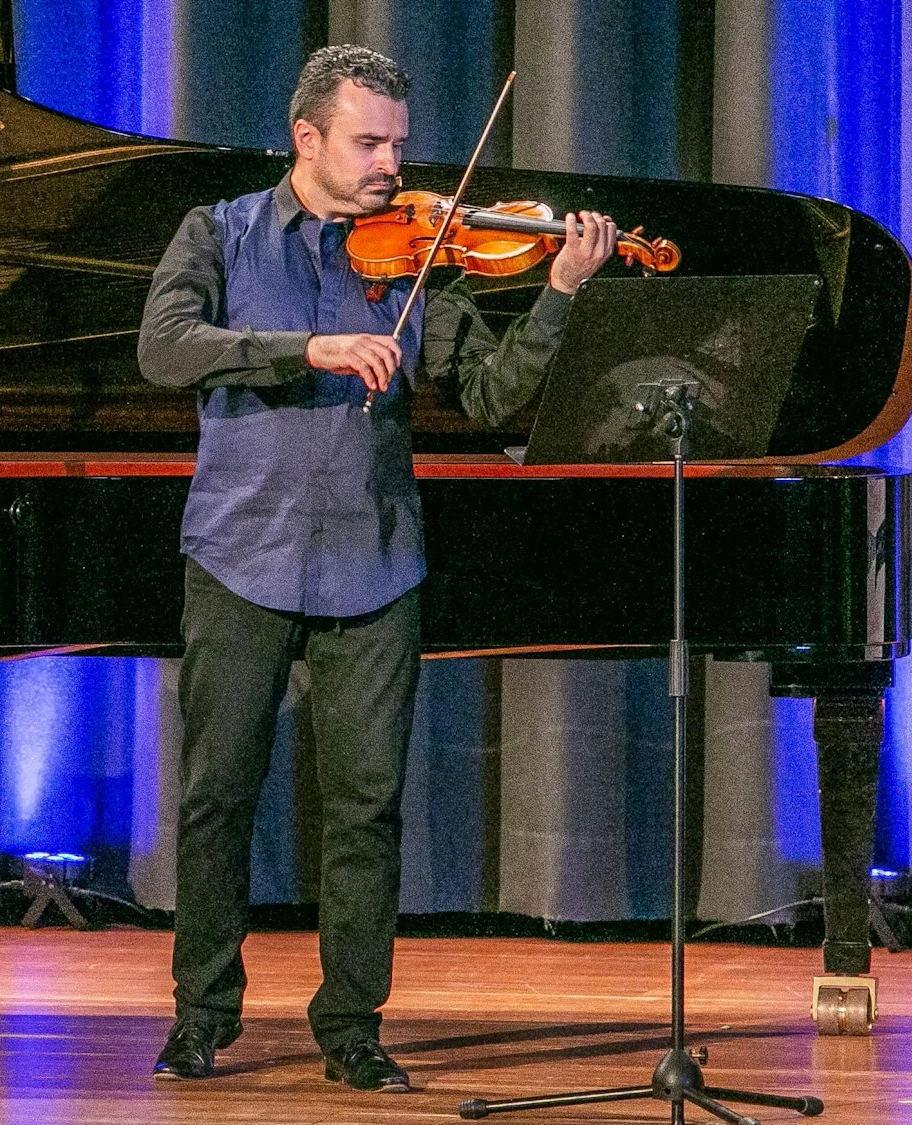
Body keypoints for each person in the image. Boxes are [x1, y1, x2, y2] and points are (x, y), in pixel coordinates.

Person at [138, 46, 617, 1088]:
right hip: (238, 551)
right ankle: (200, 1015)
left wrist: (561, 294)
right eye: (368, 142)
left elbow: (491, 399)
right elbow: (165, 348)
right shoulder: (214, 232)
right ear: (305, 138)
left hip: (374, 560)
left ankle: (351, 1026)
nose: (390, 164)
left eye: (397, 142)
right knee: (216, 797)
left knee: (365, 806)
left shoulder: (410, 259)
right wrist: (305, 349)